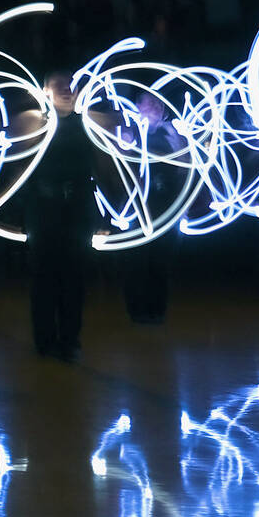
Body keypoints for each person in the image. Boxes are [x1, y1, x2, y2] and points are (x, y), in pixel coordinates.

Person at [21, 72, 103, 361]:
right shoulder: (36, 123)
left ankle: (70, 340)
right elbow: (17, 166)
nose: (67, 91)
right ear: (45, 91)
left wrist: (103, 218)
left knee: (74, 278)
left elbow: (101, 167)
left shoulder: (86, 125)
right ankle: (45, 340)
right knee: (44, 276)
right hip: (44, 209)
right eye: (59, 86)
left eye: (71, 86)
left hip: (78, 209)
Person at [118, 93, 186, 325]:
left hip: (167, 204)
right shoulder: (131, 131)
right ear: (137, 107)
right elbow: (121, 166)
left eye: (157, 103)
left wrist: (182, 204)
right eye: (148, 103)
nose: (154, 107)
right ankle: (137, 311)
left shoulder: (172, 132)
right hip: (139, 206)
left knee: (161, 261)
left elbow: (184, 168)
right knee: (138, 260)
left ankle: (157, 310)